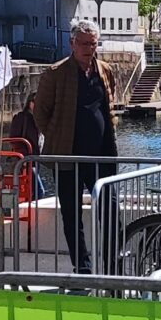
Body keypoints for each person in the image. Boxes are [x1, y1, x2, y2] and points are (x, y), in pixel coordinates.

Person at [35, 21, 118, 273]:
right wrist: (57, 137)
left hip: (102, 156)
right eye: (83, 43)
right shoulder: (56, 73)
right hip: (67, 158)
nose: (88, 48)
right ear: (72, 43)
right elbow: (40, 112)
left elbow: (109, 104)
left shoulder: (104, 70)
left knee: (110, 210)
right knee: (72, 216)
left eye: (93, 43)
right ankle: (82, 268)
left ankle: (112, 264)